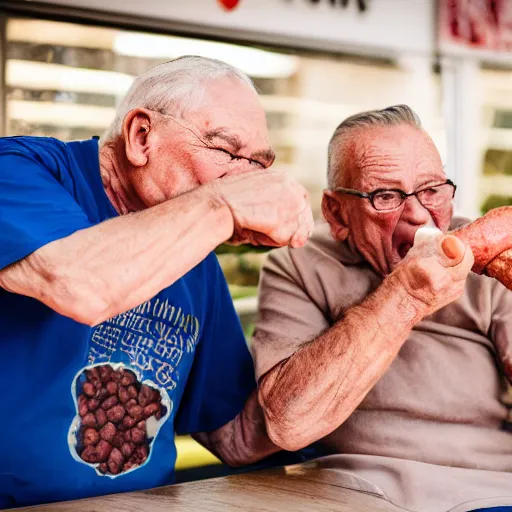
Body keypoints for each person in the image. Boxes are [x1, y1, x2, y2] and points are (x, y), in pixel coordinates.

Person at [0, 56, 314, 508]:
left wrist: (394, 302)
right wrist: (222, 206)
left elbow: (238, 436)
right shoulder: (17, 168)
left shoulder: (197, 253)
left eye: (258, 165)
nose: (245, 180)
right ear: (141, 136)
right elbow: (82, 284)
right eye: (226, 151)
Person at [252, 105, 512, 512]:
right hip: (351, 491)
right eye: (385, 196)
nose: (420, 214)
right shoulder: (299, 264)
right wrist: (406, 295)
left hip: (491, 490)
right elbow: (288, 422)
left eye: (432, 190)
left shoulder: (490, 254)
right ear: (337, 213)